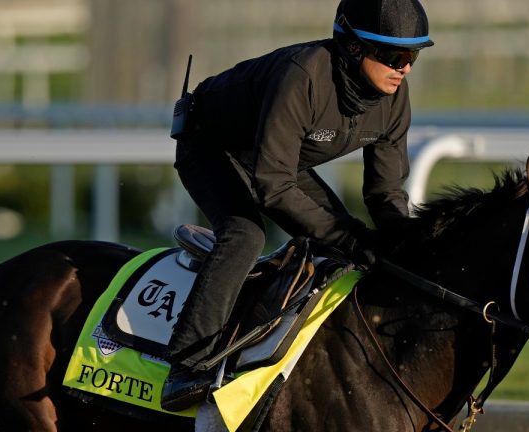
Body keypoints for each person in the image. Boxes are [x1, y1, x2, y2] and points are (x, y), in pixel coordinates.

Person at [162, 0, 434, 411]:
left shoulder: (394, 99)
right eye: (394, 56)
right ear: (354, 48)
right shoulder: (301, 76)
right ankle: (186, 363)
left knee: (346, 246)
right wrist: (351, 237)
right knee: (244, 235)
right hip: (211, 145)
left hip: (274, 159)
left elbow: (385, 193)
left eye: (413, 56)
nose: (405, 69)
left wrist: (408, 247)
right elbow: (272, 187)